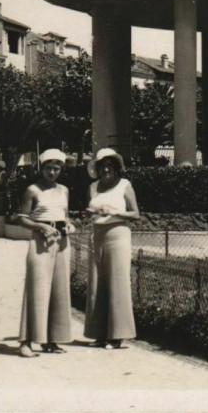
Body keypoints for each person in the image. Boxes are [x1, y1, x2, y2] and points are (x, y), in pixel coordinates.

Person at [16, 148, 74, 357]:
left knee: (59, 290)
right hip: (40, 242)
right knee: (36, 290)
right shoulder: (32, 190)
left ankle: (51, 341)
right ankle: (26, 342)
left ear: (61, 169)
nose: (52, 172)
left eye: (56, 168)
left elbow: (65, 216)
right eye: (48, 168)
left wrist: (69, 225)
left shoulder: (64, 190)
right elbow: (21, 217)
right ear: (41, 168)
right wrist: (41, 227)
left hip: (61, 242)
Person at [84, 148, 139, 350]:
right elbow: (90, 211)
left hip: (118, 235)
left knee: (118, 283)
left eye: (110, 166)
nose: (106, 170)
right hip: (96, 235)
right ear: (97, 169)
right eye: (102, 166)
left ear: (116, 168)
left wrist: (115, 212)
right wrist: (91, 212)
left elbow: (135, 214)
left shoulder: (124, 185)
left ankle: (117, 336)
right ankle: (99, 334)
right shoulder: (92, 187)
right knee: (97, 283)